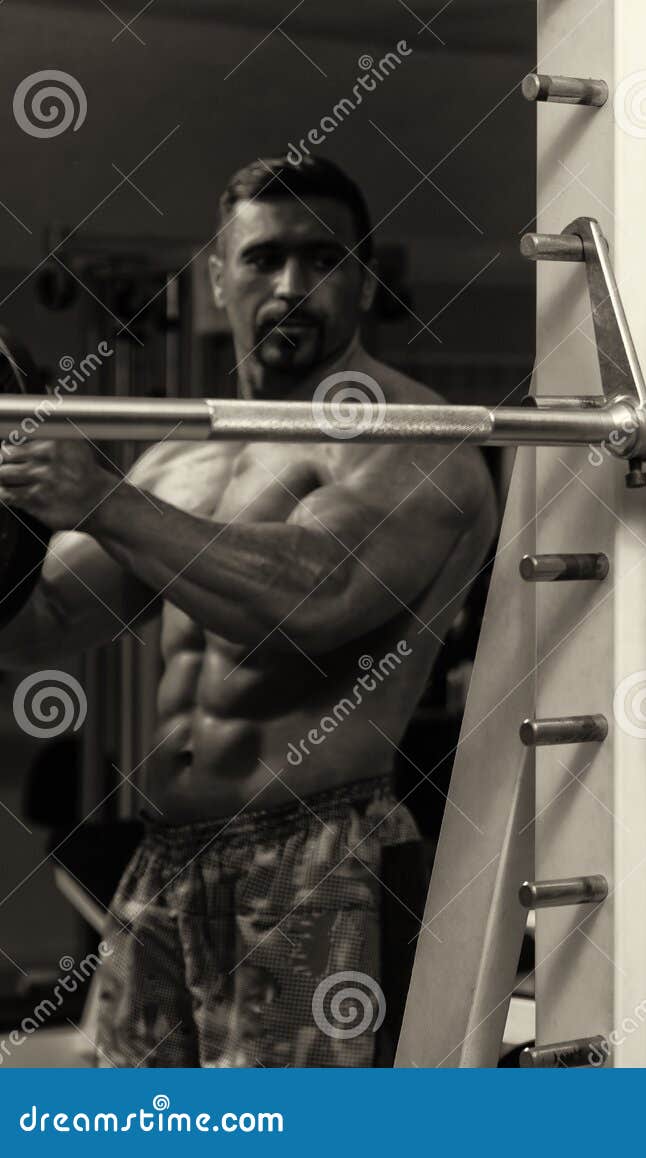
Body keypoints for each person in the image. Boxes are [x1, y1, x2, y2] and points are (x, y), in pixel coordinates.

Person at [0, 155, 498, 1066]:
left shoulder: (411, 439)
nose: (292, 284)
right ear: (216, 275)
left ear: (366, 274)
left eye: (324, 258)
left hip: (318, 859)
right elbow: (45, 623)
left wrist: (103, 499)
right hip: (165, 860)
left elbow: (312, 600)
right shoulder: (182, 458)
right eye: (265, 258)